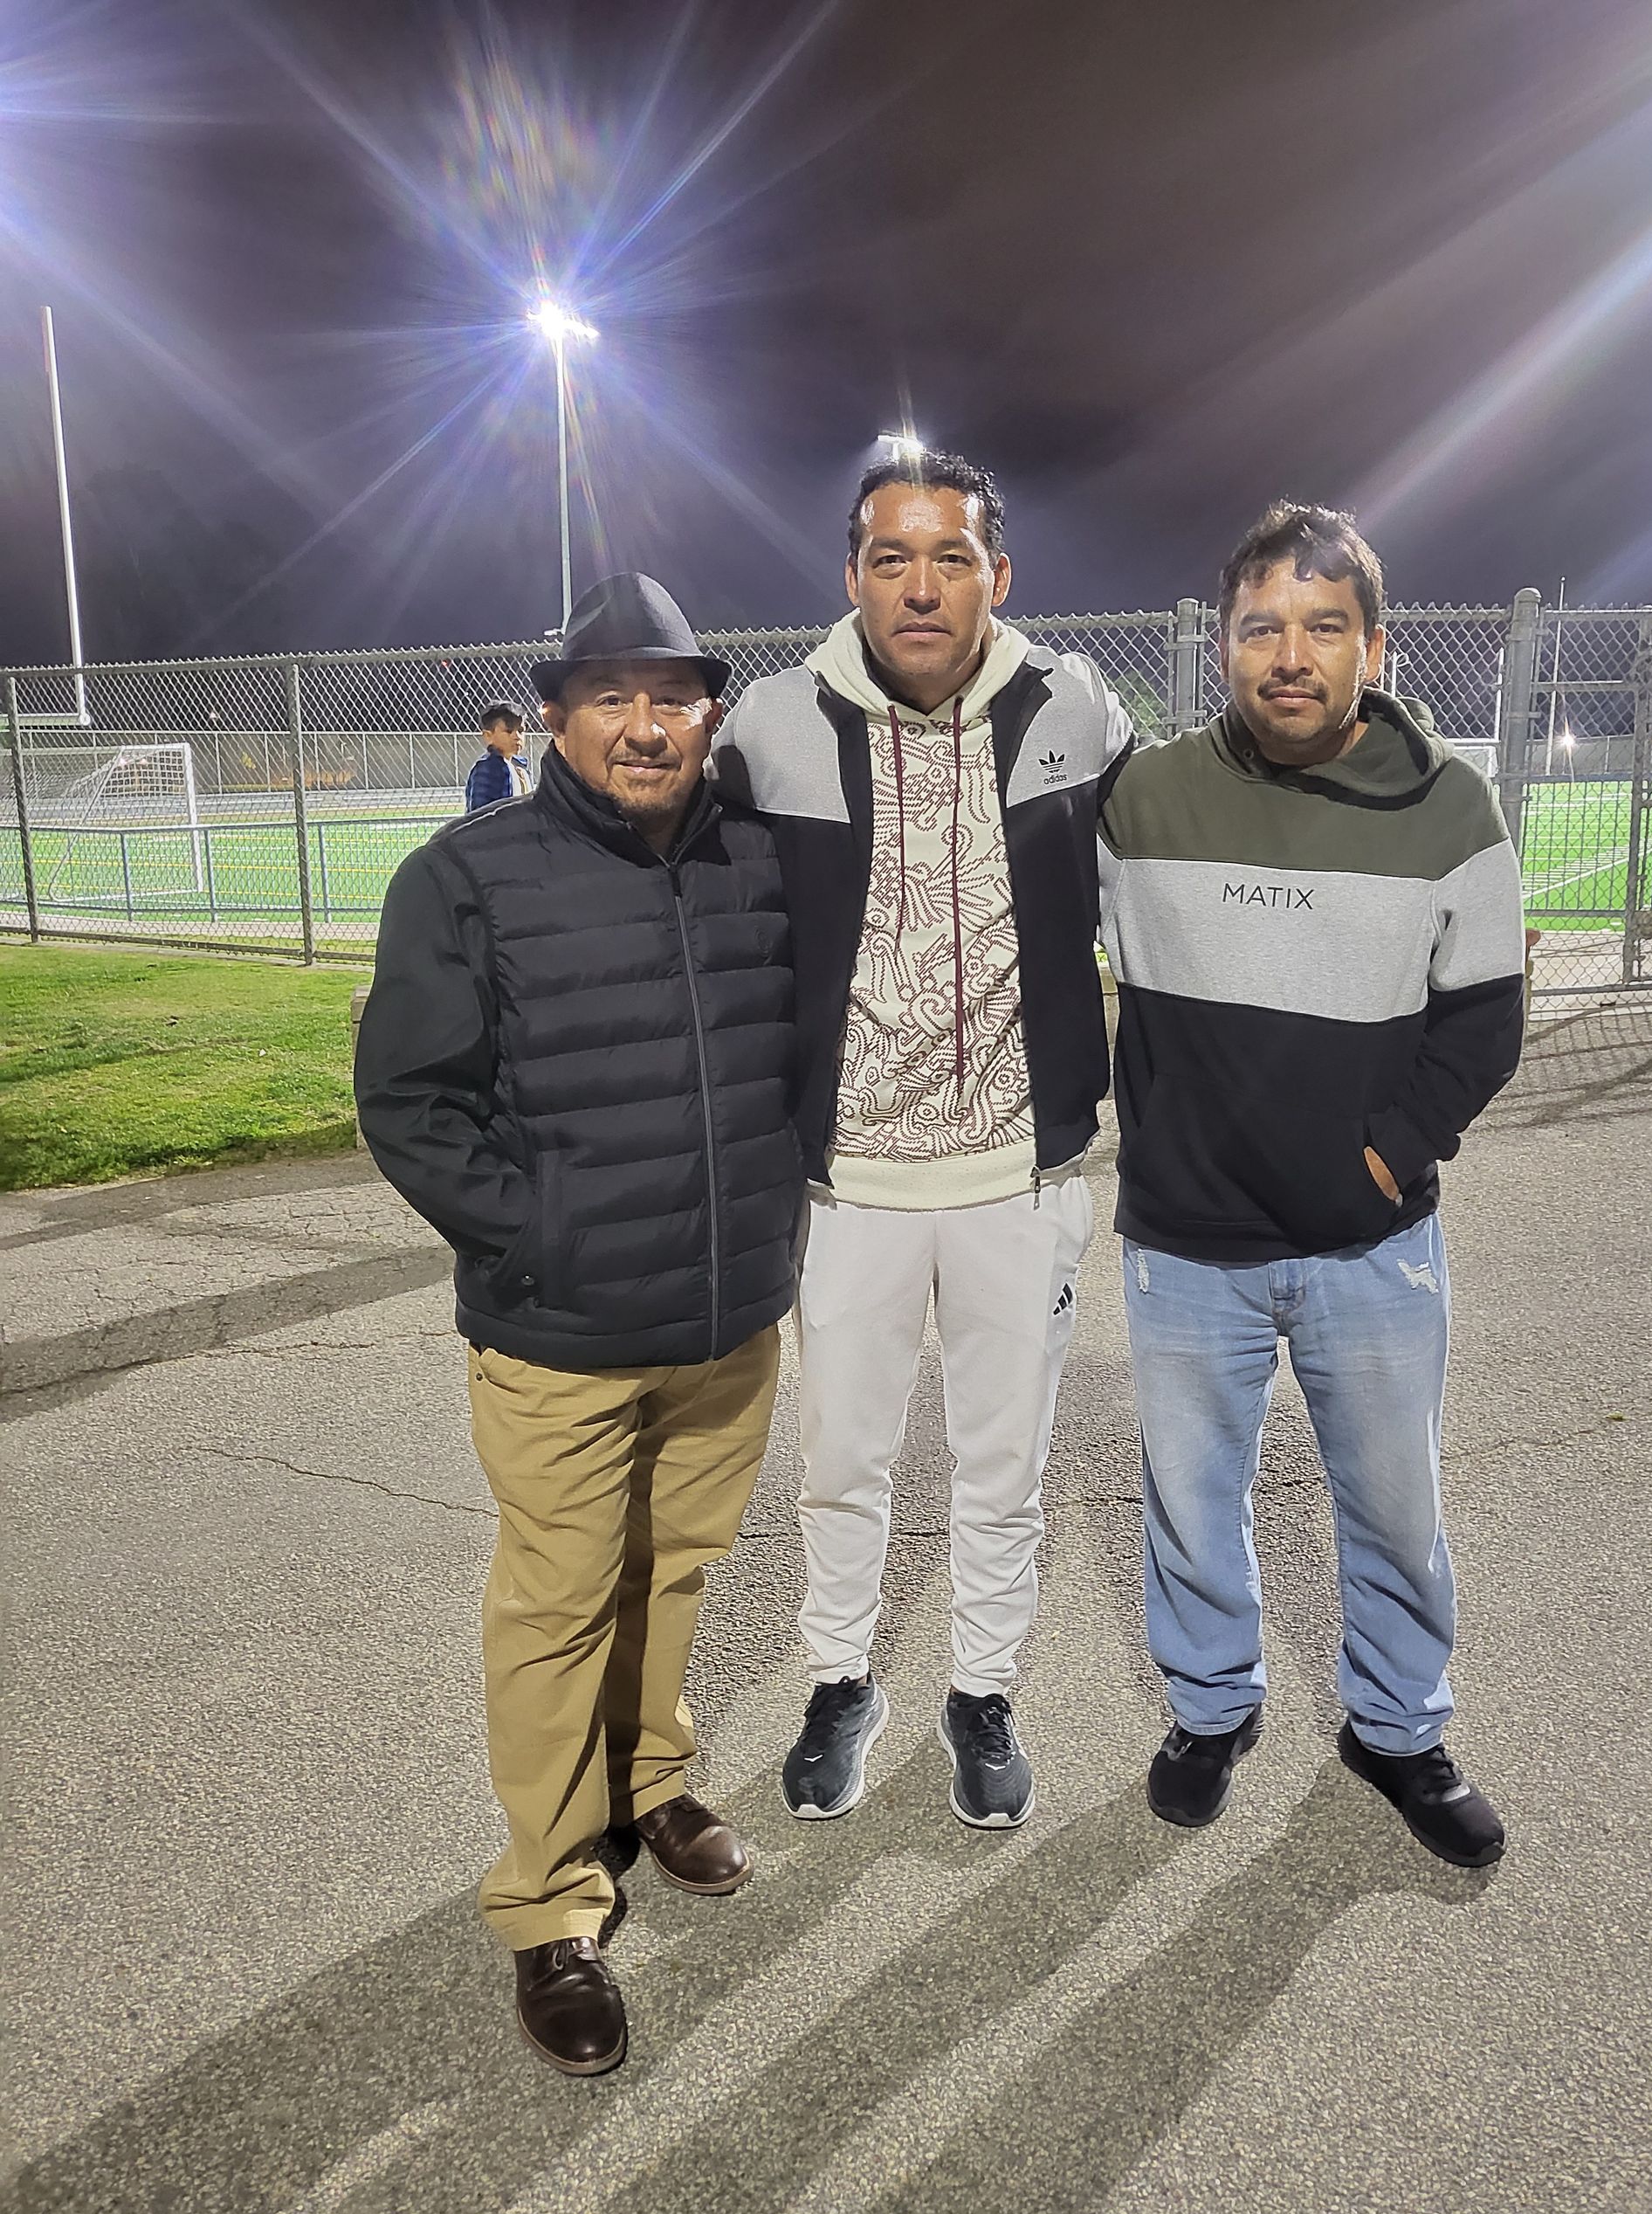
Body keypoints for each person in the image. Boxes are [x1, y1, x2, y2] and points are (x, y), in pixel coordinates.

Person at [354, 573, 803, 2076]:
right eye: (610, 694)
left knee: (674, 1575)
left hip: (728, 1320)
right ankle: (550, 1906)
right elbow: (409, 1105)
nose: (645, 722)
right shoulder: (468, 875)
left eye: (672, 695)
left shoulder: (759, 856)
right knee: (558, 1612)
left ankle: (649, 1779)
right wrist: (534, 1236)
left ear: (709, 714)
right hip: (559, 1333)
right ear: (555, 716)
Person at [1098, 501, 1525, 1867]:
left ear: (1373, 645)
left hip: (1372, 1241)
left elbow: (1485, 1019)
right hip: (1188, 1241)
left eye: (1323, 627)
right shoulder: (1142, 795)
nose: (1292, 654)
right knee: (1187, 1496)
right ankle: (1211, 1708)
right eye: (1262, 626)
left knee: (1395, 1500)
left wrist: (1387, 1153)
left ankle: (1397, 1730)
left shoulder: (1453, 806)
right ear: (1224, 645)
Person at [713, 451, 1132, 1831]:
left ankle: (982, 1693)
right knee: (844, 1460)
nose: (920, 585)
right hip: (849, 1182)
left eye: (949, 557)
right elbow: (686, 901)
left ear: (996, 577)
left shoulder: (1071, 703)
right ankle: (842, 1682)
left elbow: (1160, 859)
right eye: (891, 558)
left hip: (1021, 1171)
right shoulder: (772, 723)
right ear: (852, 579)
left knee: (1004, 1464)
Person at [465, 700, 533, 810]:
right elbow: (479, 814)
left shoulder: (521, 767)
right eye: (509, 731)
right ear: (488, 736)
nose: (517, 736)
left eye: (521, 730)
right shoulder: (488, 768)